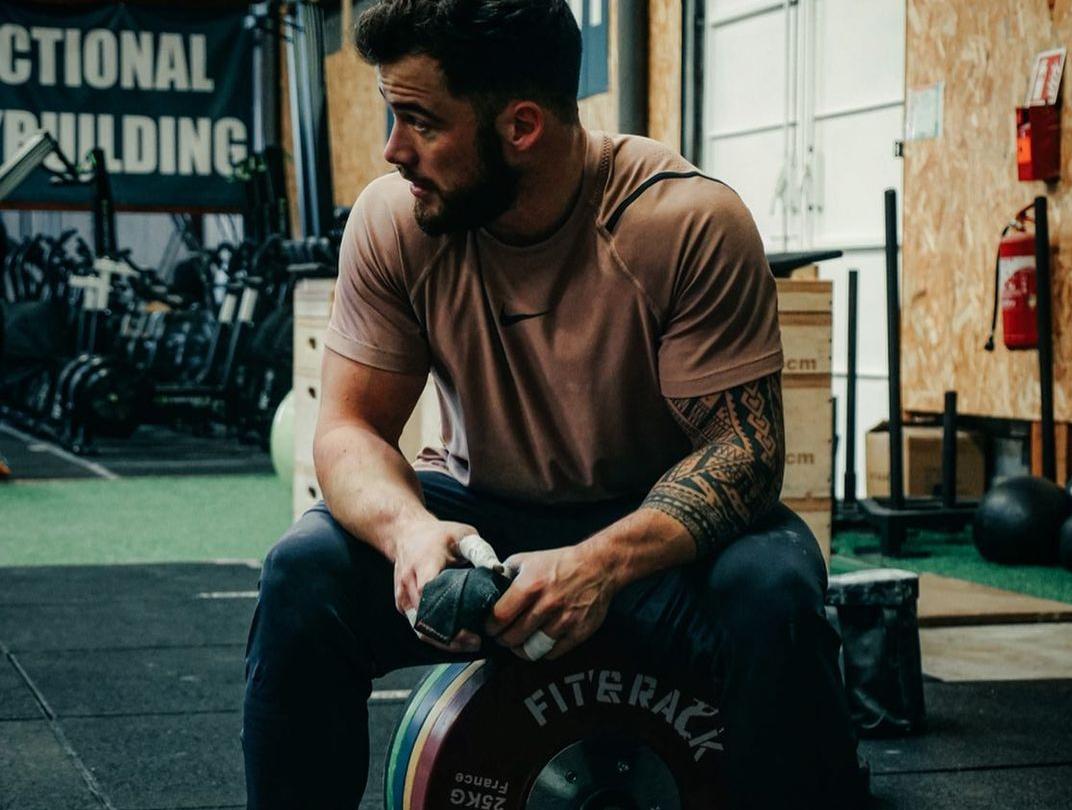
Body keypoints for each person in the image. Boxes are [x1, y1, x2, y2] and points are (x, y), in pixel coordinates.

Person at [242, 1, 866, 807]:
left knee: (774, 593)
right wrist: (412, 535)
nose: (392, 149)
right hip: (479, 522)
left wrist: (599, 565)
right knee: (304, 575)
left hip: (656, 536)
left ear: (521, 127)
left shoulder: (682, 221)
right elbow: (349, 427)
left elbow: (742, 453)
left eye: (419, 122)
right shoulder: (396, 220)